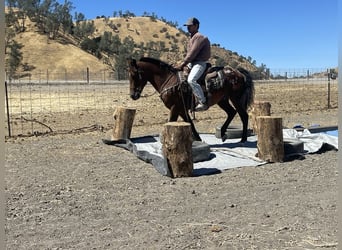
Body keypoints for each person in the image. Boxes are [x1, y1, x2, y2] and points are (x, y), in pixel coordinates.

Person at [176, 17, 211, 111]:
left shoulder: (199, 37)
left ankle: (202, 102)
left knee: (191, 80)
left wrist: (183, 63)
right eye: (187, 26)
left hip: (199, 63)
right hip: (192, 63)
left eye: (190, 26)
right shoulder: (192, 38)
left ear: (196, 26)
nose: (188, 28)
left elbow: (192, 54)